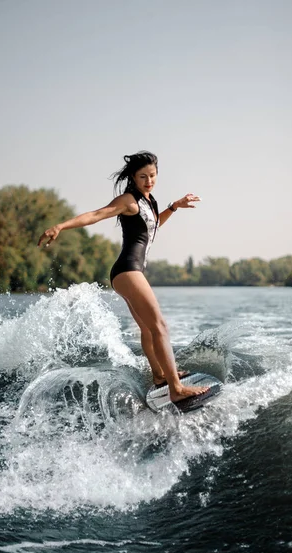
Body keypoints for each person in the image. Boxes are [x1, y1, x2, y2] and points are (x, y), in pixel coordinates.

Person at [38, 151, 209, 403]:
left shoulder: (149, 202)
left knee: (148, 329)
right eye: (143, 176)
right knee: (160, 325)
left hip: (127, 272)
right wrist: (60, 226)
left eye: (152, 176)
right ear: (133, 176)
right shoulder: (129, 200)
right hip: (128, 270)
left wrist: (173, 207)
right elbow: (97, 214)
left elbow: (151, 227)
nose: (148, 181)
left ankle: (160, 376)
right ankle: (176, 388)